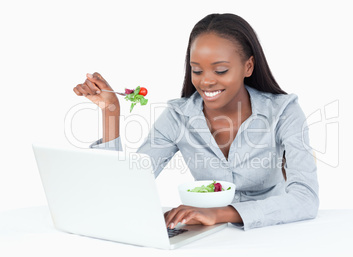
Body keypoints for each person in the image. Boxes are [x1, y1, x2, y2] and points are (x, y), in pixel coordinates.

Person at [73, 13, 319, 231]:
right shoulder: (178, 117)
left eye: (220, 71)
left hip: (274, 233)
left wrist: (219, 214)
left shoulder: (284, 111)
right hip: (203, 239)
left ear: (248, 66)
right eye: (197, 71)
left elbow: (305, 198)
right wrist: (110, 112)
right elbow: (122, 188)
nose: (206, 82)